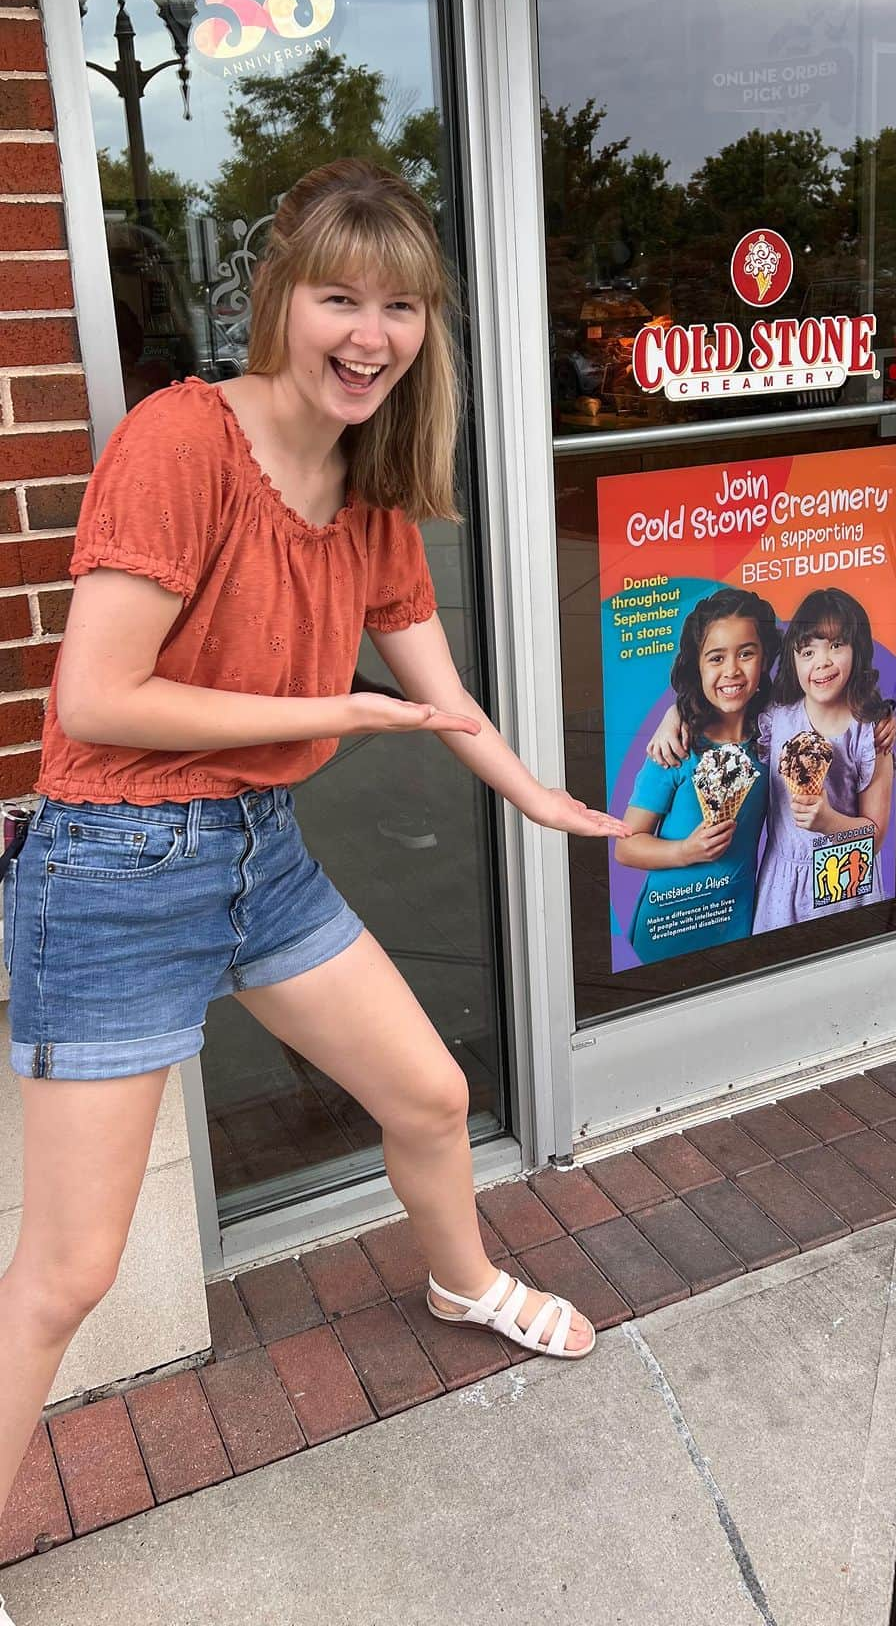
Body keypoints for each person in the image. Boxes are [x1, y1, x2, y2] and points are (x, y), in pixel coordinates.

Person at [0, 159, 629, 1617]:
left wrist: (554, 806)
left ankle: (461, 1282)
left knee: (424, 1097)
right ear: (279, 295)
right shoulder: (182, 441)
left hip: (256, 857)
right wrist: (324, 717)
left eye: (399, 305)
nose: (370, 331)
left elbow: (441, 689)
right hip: (112, 868)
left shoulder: (366, 483)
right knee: (68, 1274)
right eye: (340, 296)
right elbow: (97, 699)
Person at [615, 587, 778, 963]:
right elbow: (626, 845)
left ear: (765, 657)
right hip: (670, 923)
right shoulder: (675, 749)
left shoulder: (773, 737)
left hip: (735, 922)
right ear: (697, 667)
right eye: (715, 658)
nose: (732, 670)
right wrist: (685, 850)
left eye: (746, 653)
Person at [751, 587, 895, 931]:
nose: (822, 662)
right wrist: (674, 718)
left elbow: (875, 836)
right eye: (807, 650)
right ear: (793, 659)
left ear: (856, 650)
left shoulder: (869, 732)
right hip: (784, 881)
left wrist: (829, 822)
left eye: (836, 645)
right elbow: (716, 710)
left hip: (845, 877)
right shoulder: (776, 718)